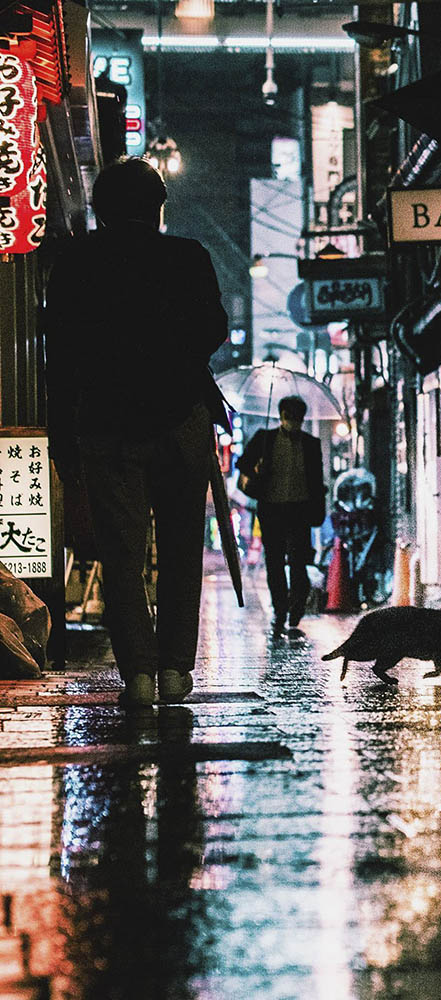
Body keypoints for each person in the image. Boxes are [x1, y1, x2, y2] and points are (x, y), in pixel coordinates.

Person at [44, 157, 228, 707]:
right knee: (179, 551)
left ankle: (139, 676)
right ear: (158, 208)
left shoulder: (76, 263)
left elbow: (60, 355)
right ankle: (175, 668)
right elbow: (212, 329)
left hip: (105, 424)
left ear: (100, 209)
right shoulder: (188, 257)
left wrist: (63, 437)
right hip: (179, 419)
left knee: (120, 555)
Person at [237, 395, 325, 637]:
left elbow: (317, 481)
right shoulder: (265, 440)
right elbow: (243, 464)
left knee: (299, 562)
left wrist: (318, 509)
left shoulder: (311, 444)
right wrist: (258, 469)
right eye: (288, 417)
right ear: (281, 416)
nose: (292, 422)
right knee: (275, 562)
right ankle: (280, 608)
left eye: (297, 418)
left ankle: (296, 605)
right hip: (272, 508)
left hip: (299, 509)